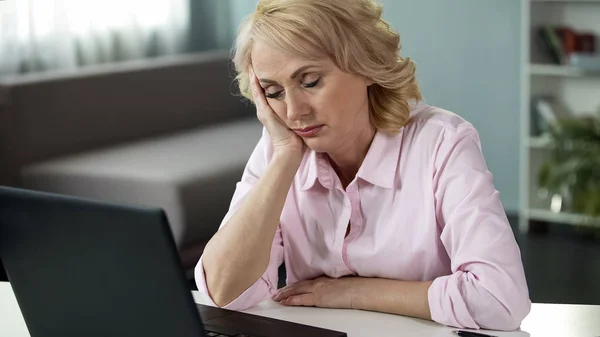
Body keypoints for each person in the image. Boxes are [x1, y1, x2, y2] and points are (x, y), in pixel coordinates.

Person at [195, 0, 531, 331]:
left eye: (310, 82)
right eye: (273, 91)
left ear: (365, 65)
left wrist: (354, 291)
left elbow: (499, 299)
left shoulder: (442, 142)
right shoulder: (280, 147)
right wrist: (284, 158)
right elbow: (223, 293)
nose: (295, 112)